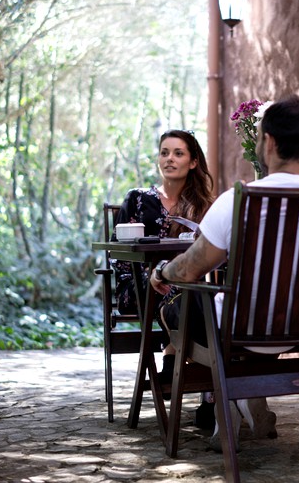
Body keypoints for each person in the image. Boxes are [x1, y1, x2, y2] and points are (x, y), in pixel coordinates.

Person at [149, 95, 299, 448]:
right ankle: (242, 398)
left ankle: (232, 397)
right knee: (221, 311)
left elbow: (191, 267)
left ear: (269, 142)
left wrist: (161, 273)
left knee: (176, 309)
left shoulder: (239, 199)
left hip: (244, 328)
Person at [113, 129, 215, 421]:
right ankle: (209, 392)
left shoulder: (203, 206)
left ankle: (174, 366)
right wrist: (150, 273)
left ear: (193, 162)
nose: (169, 159)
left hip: (184, 289)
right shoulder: (138, 198)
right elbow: (118, 254)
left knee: (196, 294)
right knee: (192, 296)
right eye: (164, 153)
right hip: (138, 286)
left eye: (178, 153)